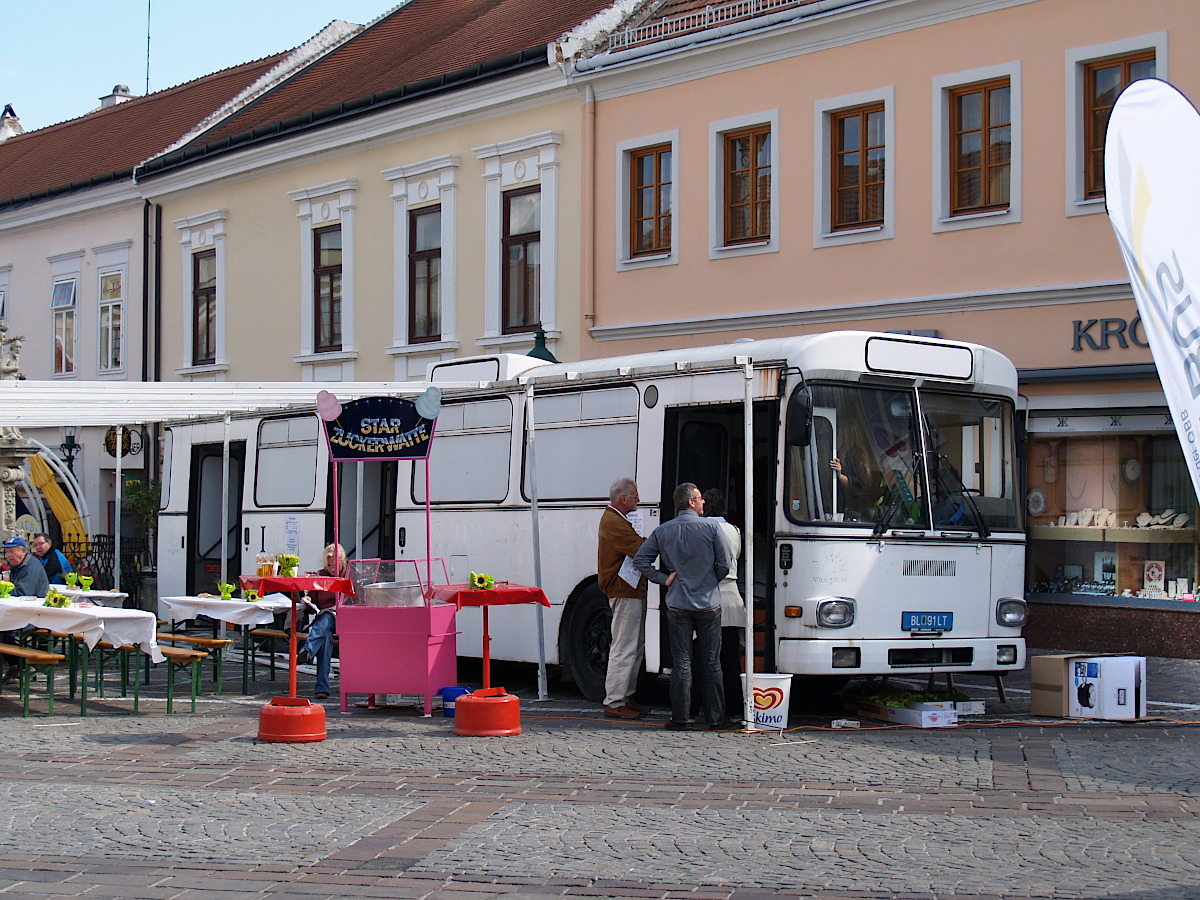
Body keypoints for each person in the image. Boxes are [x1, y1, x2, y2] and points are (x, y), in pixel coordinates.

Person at [633, 483, 731, 731]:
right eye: (700, 499)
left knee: (682, 662)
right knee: (711, 661)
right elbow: (725, 563)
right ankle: (715, 718)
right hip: (708, 601)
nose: (703, 502)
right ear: (691, 502)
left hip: (677, 601)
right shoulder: (711, 527)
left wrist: (663, 579)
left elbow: (641, 560)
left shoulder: (663, 530)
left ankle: (681, 717)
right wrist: (710, 581)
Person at [597, 477, 648, 720]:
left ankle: (626, 695)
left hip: (630, 589)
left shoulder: (617, 519)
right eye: (635, 496)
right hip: (624, 590)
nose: (638, 500)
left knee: (634, 646)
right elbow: (639, 548)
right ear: (623, 498)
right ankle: (615, 700)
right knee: (624, 647)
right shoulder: (614, 522)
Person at [702, 489, 746, 718]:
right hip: (732, 595)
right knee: (730, 657)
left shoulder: (702, 529)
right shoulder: (735, 530)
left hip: (708, 595)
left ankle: (709, 706)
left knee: (707, 657)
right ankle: (734, 707)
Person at [297, 543, 346, 700]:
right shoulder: (321, 576)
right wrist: (308, 599)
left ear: (343, 561)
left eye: (336, 565)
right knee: (324, 638)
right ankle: (322, 688)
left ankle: (308, 650)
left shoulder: (349, 575)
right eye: (329, 565)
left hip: (344, 619)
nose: (332, 569)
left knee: (325, 620)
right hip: (325, 620)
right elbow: (313, 597)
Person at [1, 536, 48, 684]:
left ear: (23, 551)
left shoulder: (31, 566)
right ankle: (17, 665)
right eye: (6, 552)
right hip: (20, 613)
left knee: (3, 630)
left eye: (11, 552)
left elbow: (22, 592)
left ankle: (19, 665)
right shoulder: (18, 566)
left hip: (34, 616)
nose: (8, 556)